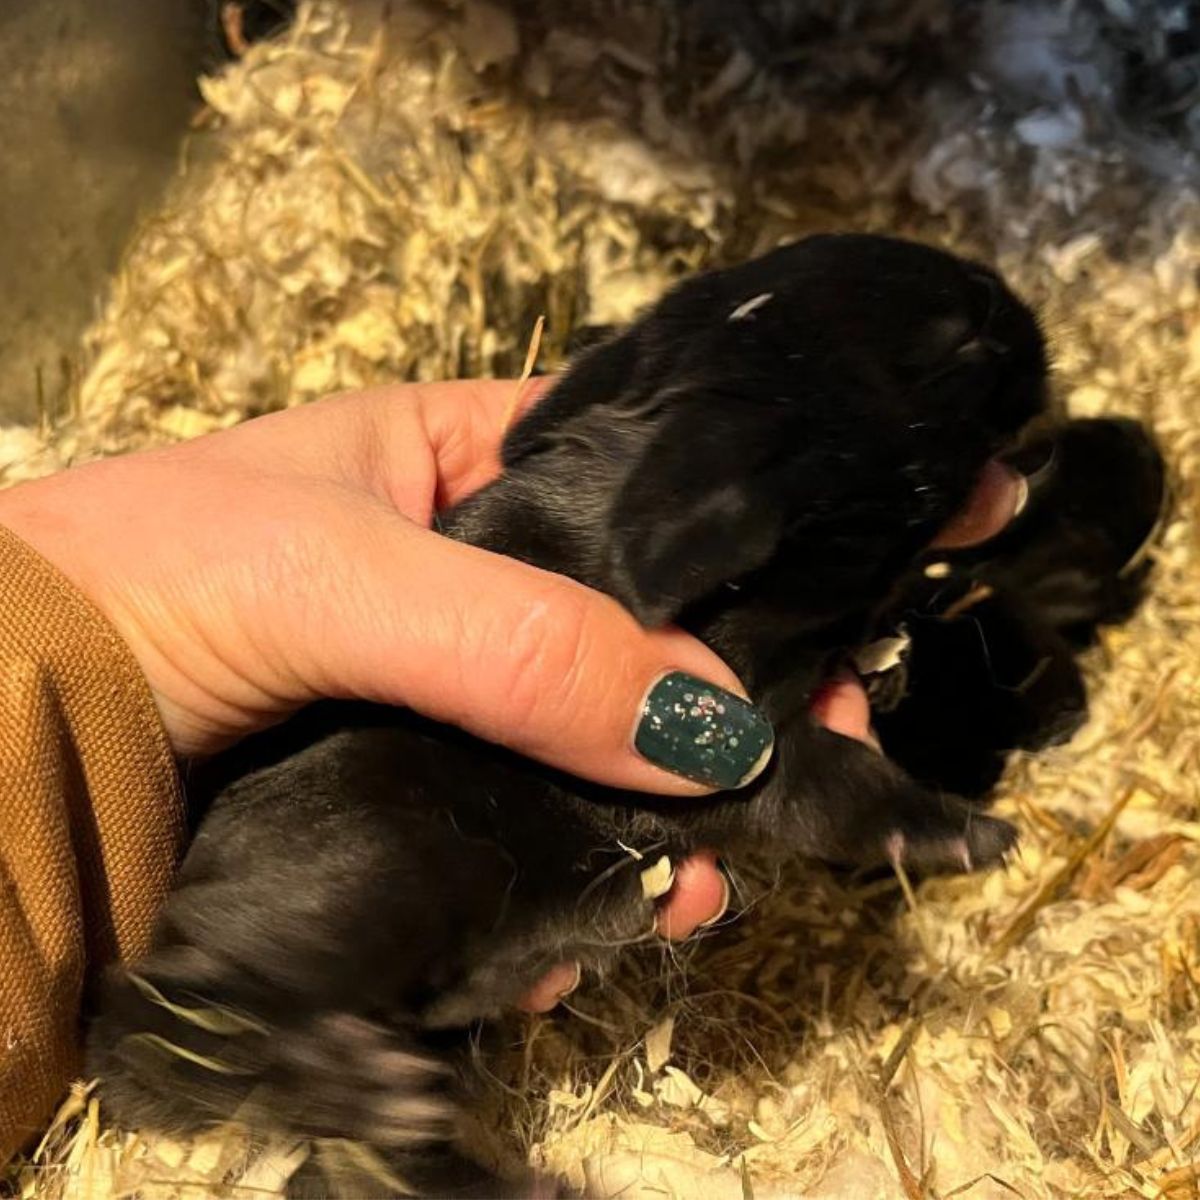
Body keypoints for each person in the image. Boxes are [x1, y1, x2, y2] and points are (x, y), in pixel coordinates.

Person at [0, 378, 1023, 1163]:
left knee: (428, 1001)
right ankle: (206, 1035)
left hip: (346, 891)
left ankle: (330, 1106)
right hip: (349, 857)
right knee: (378, 902)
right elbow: (792, 779)